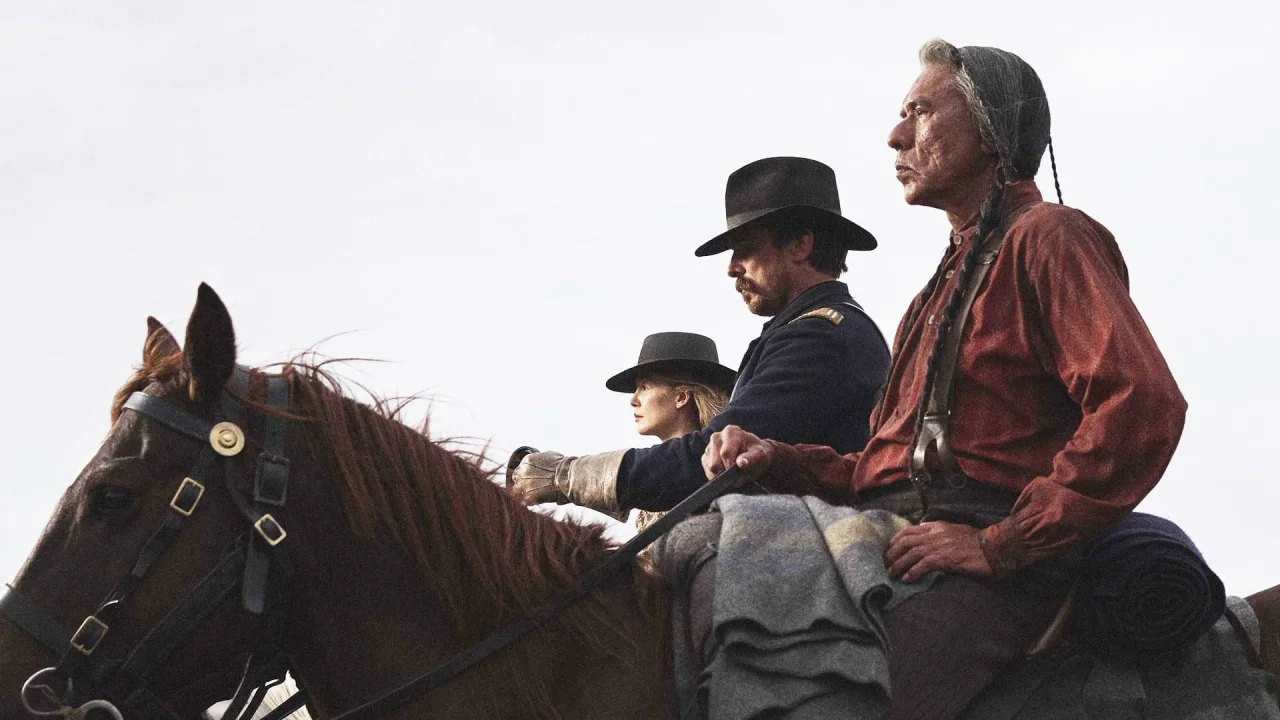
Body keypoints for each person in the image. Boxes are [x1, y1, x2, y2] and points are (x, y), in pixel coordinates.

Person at [702, 41, 1187, 720]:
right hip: (899, 536)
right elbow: (878, 473)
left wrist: (1000, 546)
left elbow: (1141, 406)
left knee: (840, 705)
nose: (895, 135)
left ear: (990, 131)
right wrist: (777, 459)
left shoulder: (1049, 237)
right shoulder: (934, 292)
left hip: (998, 565)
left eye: (920, 112)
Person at [509, 156, 891, 516]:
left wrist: (568, 476)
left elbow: (712, 462)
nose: (731, 267)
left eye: (745, 249)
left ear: (799, 246)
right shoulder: (810, 330)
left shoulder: (819, 337)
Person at [607, 331, 734, 531]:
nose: (633, 400)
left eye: (644, 387)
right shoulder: (651, 490)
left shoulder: (716, 469)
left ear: (681, 398)